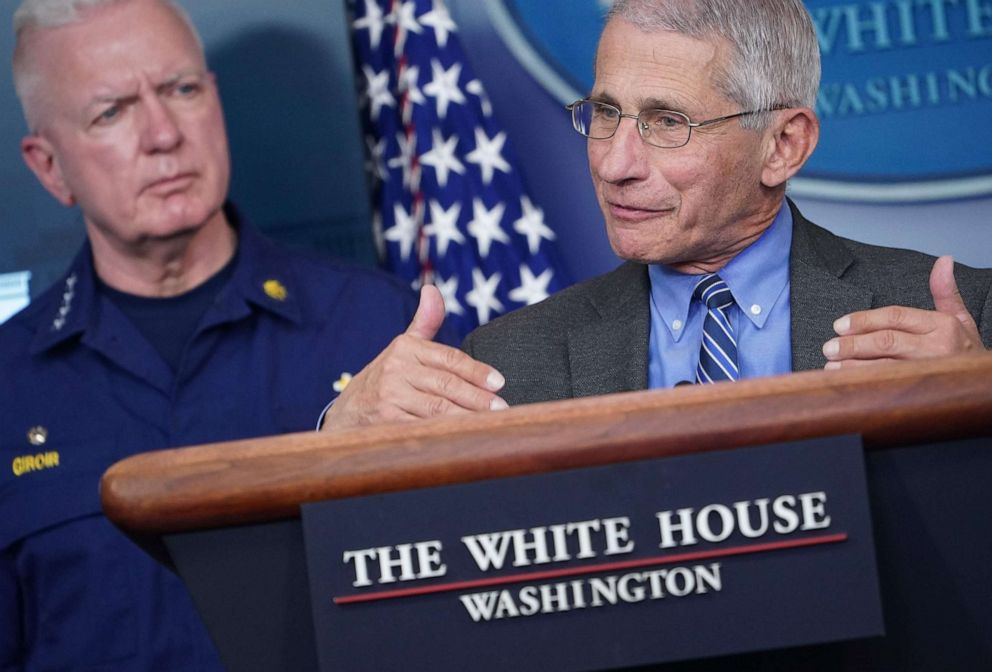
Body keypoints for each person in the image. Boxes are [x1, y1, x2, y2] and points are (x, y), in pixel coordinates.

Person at [0, 0, 499, 668]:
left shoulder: (385, 332)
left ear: (214, 99)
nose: (162, 134)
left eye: (180, 90)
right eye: (111, 111)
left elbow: (486, 605)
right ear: (49, 167)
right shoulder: (9, 388)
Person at [457, 0, 992, 405]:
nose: (614, 165)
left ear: (784, 146)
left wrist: (974, 403)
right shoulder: (508, 365)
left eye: (667, 122)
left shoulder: (966, 323)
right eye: (604, 112)